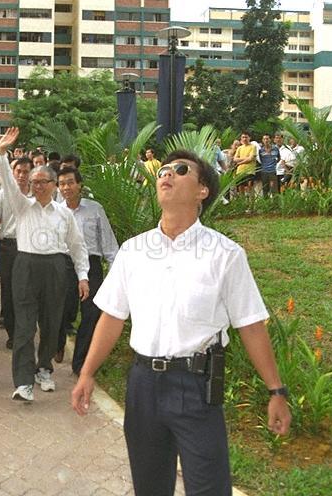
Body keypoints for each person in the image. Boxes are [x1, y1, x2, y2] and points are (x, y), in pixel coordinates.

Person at [71, 150, 291, 496]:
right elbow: (112, 317)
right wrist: (87, 373)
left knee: (208, 488)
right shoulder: (134, 251)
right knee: (150, 487)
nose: (167, 175)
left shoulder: (225, 254)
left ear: (203, 190)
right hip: (143, 386)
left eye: (181, 170)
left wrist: (276, 390)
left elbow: (250, 324)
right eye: (164, 170)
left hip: (196, 387)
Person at [0, 127, 89, 402]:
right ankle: (23, 382)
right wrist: (2, 152)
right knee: (24, 326)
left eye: (41, 182)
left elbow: (77, 246)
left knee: (51, 322)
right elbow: (8, 181)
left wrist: (83, 275)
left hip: (55, 268)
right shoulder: (22, 206)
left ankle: (44, 368)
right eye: (33, 182)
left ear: (53, 184)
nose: (35, 186)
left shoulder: (64, 214)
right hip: (25, 266)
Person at [56, 167, 118, 375]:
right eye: (62, 183)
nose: (66, 187)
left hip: (91, 267)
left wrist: (116, 270)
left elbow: (108, 242)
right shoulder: (55, 211)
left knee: (91, 314)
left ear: (79, 185)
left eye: (70, 182)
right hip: (64, 264)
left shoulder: (95, 209)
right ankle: (58, 342)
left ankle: (80, 363)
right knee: (62, 311)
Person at [0, 157, 33, 349]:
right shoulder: (2, 195)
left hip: (31, 249)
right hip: (9, 248)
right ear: (12, 173)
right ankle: (13, 333)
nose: (21, 175)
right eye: (18, 171)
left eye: (25, 171)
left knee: (29, 293)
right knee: (10, 292)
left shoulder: (36, 195)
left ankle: (27, 331)